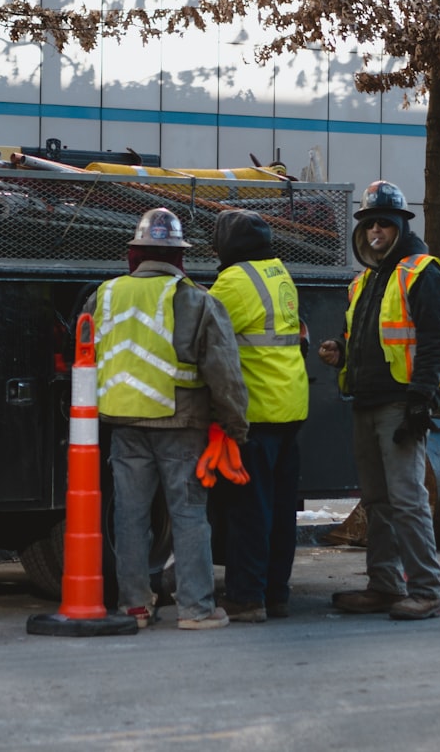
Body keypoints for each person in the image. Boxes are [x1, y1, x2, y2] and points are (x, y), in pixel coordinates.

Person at [85, 207, 249, 630]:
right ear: (178, 255)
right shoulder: (197, 300)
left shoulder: (103, 295)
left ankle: (134, 607)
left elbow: (84, 354)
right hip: (181, 425)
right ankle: (196, 609)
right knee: (190, 516)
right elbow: (224, 372)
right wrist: (235, 425)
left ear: (135, 253)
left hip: (123, 424)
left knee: (130, 517)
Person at [317, 180, 440, 620]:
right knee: (377, 502)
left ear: (399, 226)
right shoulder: (366, 281)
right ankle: (385, 585)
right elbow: (359, 337)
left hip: (400, 405)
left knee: (407, 500)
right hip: (367, 401)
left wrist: (421, 400)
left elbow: (437, 341)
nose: (375, 231)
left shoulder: (422, 272)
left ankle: (427, 590)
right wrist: (338, 351)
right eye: (369, 224)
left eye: (383, 224)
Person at [207, 209, 309, 623]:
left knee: (249, 509)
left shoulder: (233, 281)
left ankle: (246, 597)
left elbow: (206, 322)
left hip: (258, 410)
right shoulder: (277, 272)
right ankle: (275, 594)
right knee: (281, 511)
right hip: (290, 405)